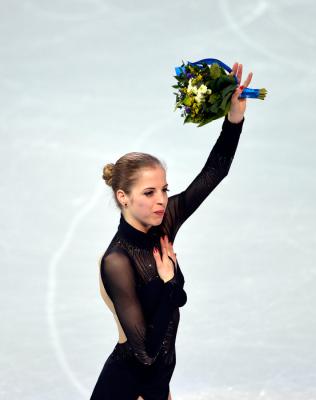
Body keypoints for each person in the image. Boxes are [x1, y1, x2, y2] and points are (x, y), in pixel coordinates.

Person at [90, 63, 253, 400]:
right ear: (123, 197)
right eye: (149, 193)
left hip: (157, 385)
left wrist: (234, 117)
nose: (162, 201)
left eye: (164, 190)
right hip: (128, 389)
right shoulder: (117, 261)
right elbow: (146, 351)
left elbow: (214, 171)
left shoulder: (163, 224)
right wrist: (167, 284)